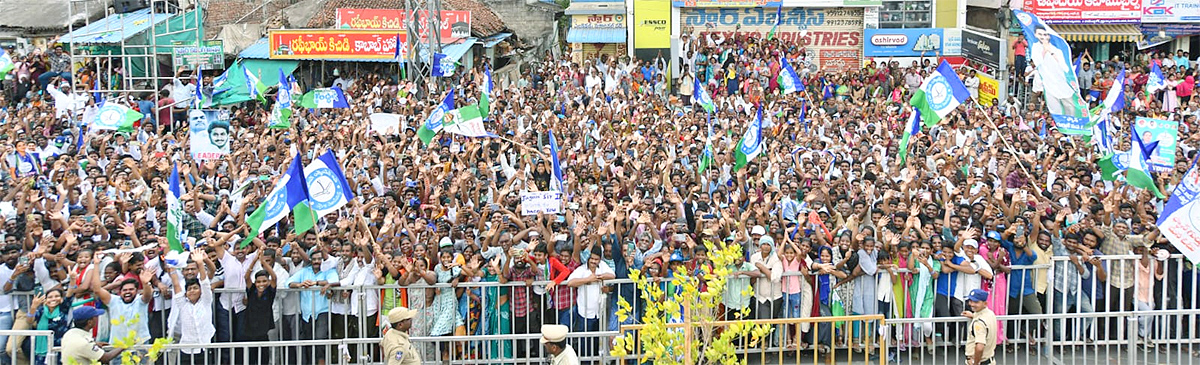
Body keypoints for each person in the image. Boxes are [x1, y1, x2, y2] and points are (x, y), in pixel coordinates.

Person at [61, 307, 125, 365]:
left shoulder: (69, 334)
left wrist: (94, 344)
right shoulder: (84, 343)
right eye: (96, 316)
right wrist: (124, 345)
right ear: (89, 322)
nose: (98, 319)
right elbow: (105, 358)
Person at [962, 289, 997, 365]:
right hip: (990, 359)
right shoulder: (990, 314)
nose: (972, 304)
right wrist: (973, 315)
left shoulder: (979, 323)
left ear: (985, 303)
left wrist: (976, 363)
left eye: (976, 302)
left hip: (980, 362)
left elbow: (980, 347)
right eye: (970, 301)